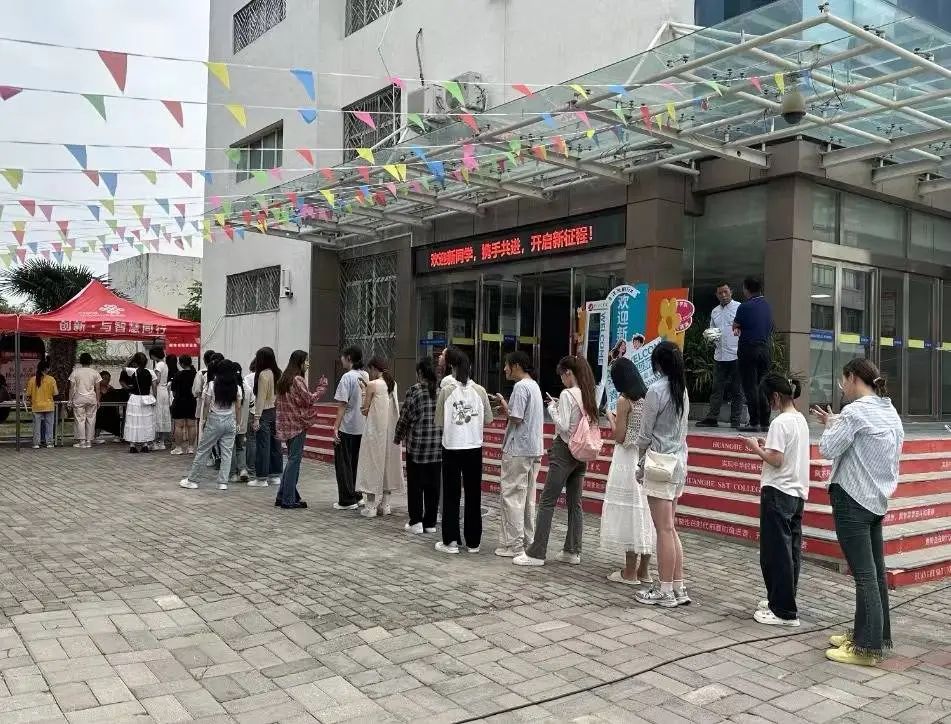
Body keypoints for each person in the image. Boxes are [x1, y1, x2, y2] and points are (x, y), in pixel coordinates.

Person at [812, 359, 903, 667]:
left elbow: (827, 448)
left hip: (852, 500)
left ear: (852, 378)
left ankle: (867, 647)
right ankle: (871, 635)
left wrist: (832, 425)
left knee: (864, 576)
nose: (843, 388)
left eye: (844, 381)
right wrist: (837, 421)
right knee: (875, 573)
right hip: (876, 499)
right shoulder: (888, 410)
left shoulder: (855, 412)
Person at [514, 355, 598, 568]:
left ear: (568, 372)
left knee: (547, 501)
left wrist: (552, 408)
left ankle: (536, 552)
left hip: (564, 449)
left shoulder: (567, 394)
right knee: (575, 503)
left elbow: (563, 426)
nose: (561, 379)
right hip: (581, 452)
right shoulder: (589, 393)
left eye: (562, 375)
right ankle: (572, 550)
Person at [744, 374, 810, 627]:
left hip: (778, 490)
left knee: (776, 553)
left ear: (774, 396)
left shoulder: (780, 422)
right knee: (790, 551)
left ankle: (783, 610)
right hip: (796, 491)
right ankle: (782, 600)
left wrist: (755, 448)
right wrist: (767, 447)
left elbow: (776, 460)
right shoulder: (800, 419)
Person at [634, 341, 690, 608]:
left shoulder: (656, 390)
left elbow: (645, 434)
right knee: (670, 527)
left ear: (658, 364)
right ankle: (678, 586)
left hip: (658, 463)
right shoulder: (682, 389)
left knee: (663, 528)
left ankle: (665, 590)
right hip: (678, 462)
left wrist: (640, 462)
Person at [434, 348, 494, 554]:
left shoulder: (446, 391)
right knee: (473, 495)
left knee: (451, 495)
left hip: (452, 447)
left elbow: (439, 421)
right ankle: (473, 542)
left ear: (451, 366)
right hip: (474, 447)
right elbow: (488, 419)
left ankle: (451, 541)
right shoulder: (480, 391)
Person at [601, 358, 655, 585]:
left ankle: (630, 571)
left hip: (626, 459)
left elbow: (620, 436)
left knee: (629, 511)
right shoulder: (648, 397)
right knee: (646, 512)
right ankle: (644, 571)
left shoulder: (624, 400)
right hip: (646, 457)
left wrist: (610, 418)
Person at [494, 351, 544, 558]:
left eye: (507, 365)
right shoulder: (534, 385)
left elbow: (516, 417)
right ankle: (526, 540)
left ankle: (514, 545)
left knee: (512, 496)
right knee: (527, 497)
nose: (505, 369)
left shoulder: (521, 386)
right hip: (533, 448)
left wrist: (504, 406)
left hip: (519, 449)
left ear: (516, 366)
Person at [274, 350, 328, 509]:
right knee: (294, 461)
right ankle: (288, 499)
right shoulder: (298, 379)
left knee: (292, 460)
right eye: (306, 360)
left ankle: (283, 495)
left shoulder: (284, 379)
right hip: (297, 425)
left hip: (286, 425)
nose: (308, 364)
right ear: (299, 362)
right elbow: (309, 399)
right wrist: (321, 389)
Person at [394, 358, 442, 535]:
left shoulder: (414, 391)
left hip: (417, 447)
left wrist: (398, 437)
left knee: (415, 485)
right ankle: (430, 523)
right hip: (437, 446)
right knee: (433, 486)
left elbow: (405, 417)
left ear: (420, 372)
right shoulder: (441, 391)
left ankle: (416, 521)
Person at [179, 359, 242, 491]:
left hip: (214, 420)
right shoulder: (236, 387)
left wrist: (204, 420)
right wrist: (238, 423)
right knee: (227, 453)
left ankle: (193, 480)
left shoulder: (212, 385)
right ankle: (223, 482)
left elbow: (207, 404)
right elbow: (238, 407)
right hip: (230, 420)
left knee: (203, 450)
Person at [355, 356, 405, 517]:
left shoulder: (372, 384)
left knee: (372, 463)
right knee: (388, 464)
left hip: (375, 432)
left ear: (374, 368)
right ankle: (385, 504)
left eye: (370, 369)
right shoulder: (393, 384)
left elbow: (365, 410)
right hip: (390, 432)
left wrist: (363, 391)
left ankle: (370, 506)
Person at [697, 284, 744, 428]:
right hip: (719, 355)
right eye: (720, 293)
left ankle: (735, 420)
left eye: (725, 292)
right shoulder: (715, 311)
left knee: (737, 390)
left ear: (731, 292)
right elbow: (713, 331)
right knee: (716, 389)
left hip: (736, 355)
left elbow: (745, 328)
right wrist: (709, 337)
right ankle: (712, 418)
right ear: (716, 295)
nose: (723, 295)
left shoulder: (739, 308)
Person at [733, 278, 773, 433]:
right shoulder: (767, 306)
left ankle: (754, 421)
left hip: (748, 348)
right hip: (765, 349)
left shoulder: (744, 306)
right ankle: (765, 422)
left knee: (750, 386)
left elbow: (735, 326)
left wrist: (739, 328)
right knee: (763, 385)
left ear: (746, 289)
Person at [332, 346, 369, 510]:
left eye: (342, 357)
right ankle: (358, 496)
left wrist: (335, 427)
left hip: (347, 426)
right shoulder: (365, 375)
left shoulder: (347, 377)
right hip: (362, 426)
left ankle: (347, 500)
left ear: (349, 358)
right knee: (357, 463)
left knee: (344, 464)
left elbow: (342, 405)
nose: (341, 359)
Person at [253, 347, 283, 487]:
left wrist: (256, 418)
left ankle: (261, 478)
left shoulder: (263, 375)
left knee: (263, 446)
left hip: (264, 412)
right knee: (276, 445)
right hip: (276, 411)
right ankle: (275, 476)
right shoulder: (278, 373)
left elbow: (261, 398)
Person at [120, 352, 156, 453]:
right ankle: (145, 445)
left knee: (133, 422)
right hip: (146, 399)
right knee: (146, 422)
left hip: (134, 399)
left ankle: (132, 445)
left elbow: (123, 367)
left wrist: (130, 359)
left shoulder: (133, 371)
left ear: (135, 362)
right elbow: (154, 387)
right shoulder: (151, 372)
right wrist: (154, 398)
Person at [228, 362, 254, 484]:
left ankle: (233, 474)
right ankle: (243, 469)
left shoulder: (230, 387)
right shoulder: (247, 388)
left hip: (231, 422)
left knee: (231, 448)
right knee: (240, 447)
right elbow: (252, 405)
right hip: (243, 423)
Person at [68, 353, 100, 449]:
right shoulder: (95, 373)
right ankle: (89, 441)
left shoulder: (75, 372)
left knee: (80, 419)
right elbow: (97, 388)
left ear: (80, 361)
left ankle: (82, 441)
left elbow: (71, 388)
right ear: (90, 361)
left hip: (79, 398)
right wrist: (98, 400)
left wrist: (70, 400)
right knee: (91, 419)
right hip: (91, 398)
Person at [26, 358, 58, 449]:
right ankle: (49, 443)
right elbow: (55, 393)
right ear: (46, 369)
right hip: (49, 406)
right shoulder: (51, 379)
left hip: (36, 406)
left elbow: (28, 394)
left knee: (36, 426)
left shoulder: (32, 380)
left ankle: (36, 443)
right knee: (49, 426)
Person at [169, 355, 198, 455]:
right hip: (192, 402)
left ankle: (178, 448)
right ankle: (191, 448)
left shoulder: (178, 375)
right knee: (192, 425)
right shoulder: (195, 374)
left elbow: (173, 391)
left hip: (179, 402)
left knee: (179, 426)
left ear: (181, 364)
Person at [149, 347, 172, 450]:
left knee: (156, 415)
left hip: (158, 390)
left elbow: (157, 380)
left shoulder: (158, 365)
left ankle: (154, 442)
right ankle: (162, 442)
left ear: (154, 355)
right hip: (164, 391)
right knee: (163, 415)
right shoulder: (165, 365)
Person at [94, 371, 125, 443]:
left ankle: (117, 435)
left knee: (116, 415)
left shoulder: (111, 388)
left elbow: (116, 398)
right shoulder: (96, 388)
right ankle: (96, 436)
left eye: (108, 379)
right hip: (99, 409)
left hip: (110, 409)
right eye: (104, 379)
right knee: (99, 415)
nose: (106, 381)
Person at [242, 360, 258, 481]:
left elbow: (246, 395)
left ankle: (251, 468)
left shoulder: (248, 378)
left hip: (252, 411)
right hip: (267, 411)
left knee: (251, 439)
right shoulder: (270, 376)